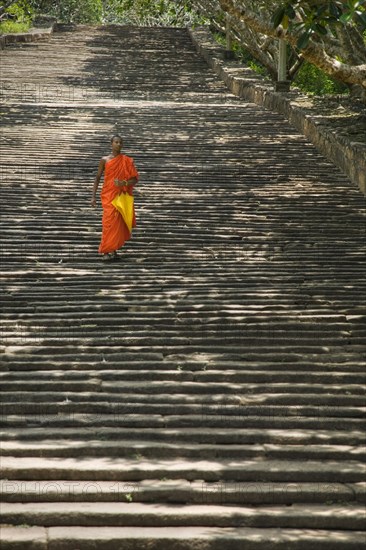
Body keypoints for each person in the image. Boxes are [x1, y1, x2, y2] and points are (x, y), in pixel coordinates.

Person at [92, 135, 139, 261]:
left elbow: (134, 179)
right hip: (108, 195)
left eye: (120, 142)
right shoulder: (105, 160)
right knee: (108, 223)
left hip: (120, 196)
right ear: (111, 144)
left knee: (118, 223)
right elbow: (97, 177)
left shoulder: (126, 161)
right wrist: (93, 196)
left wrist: (124, 183)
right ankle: (105, 250)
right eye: (116, 142)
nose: (118, 144)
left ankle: (113, 249)